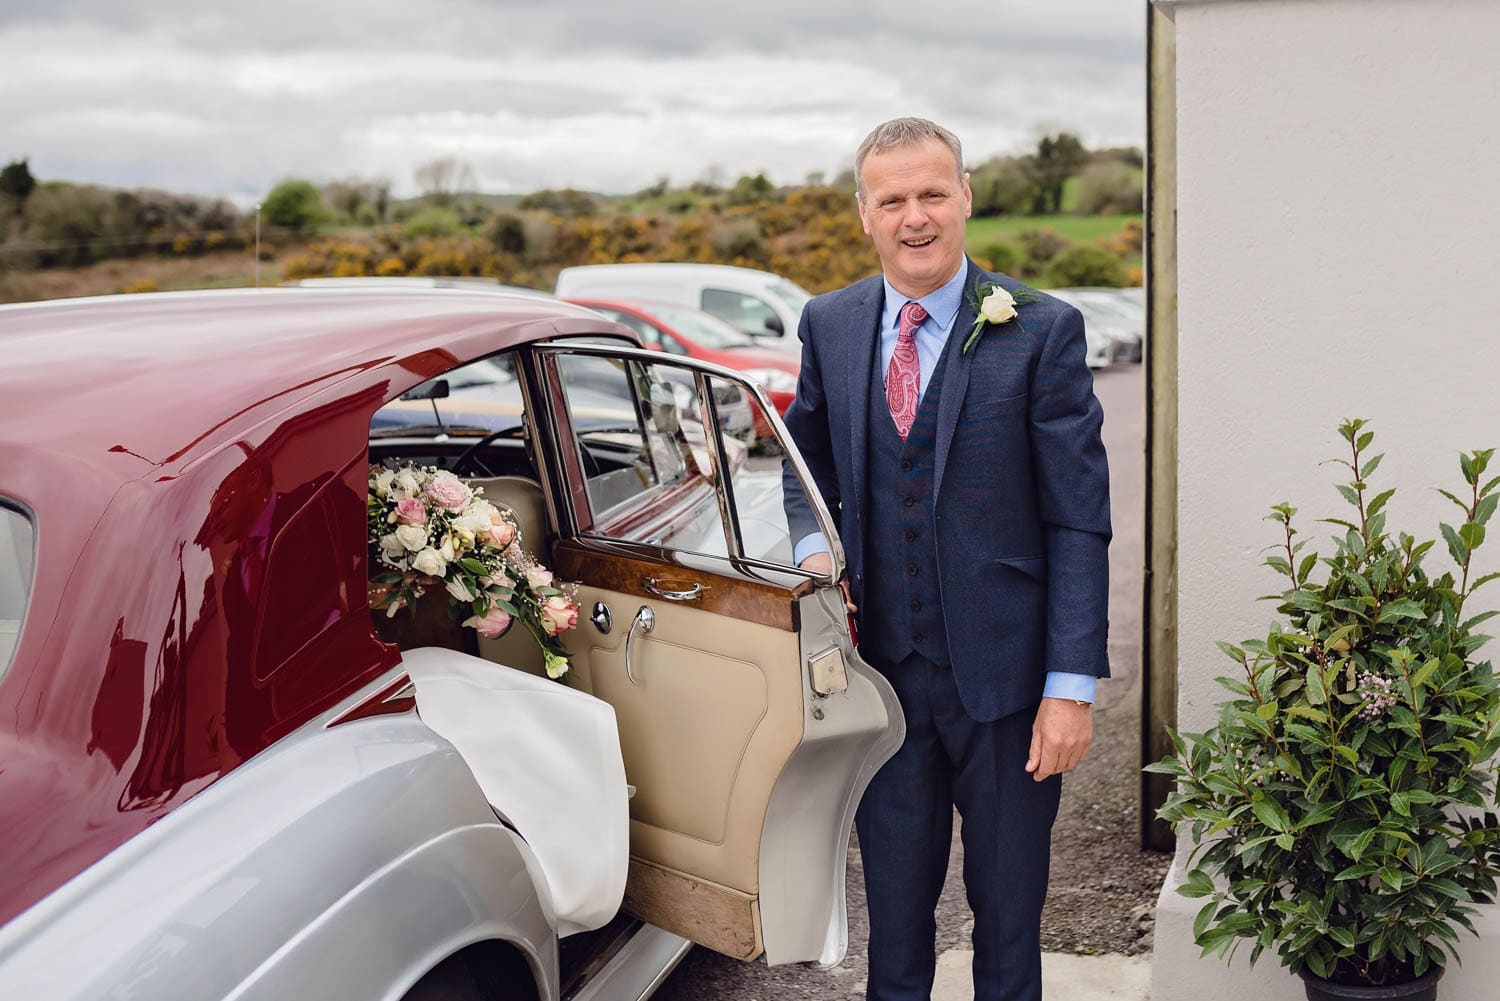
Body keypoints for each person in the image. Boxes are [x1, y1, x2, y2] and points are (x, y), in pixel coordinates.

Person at [781, 117, 1111, 1001]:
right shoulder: (831, 324)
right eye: (893, 200)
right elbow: (800, 456)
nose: (914, 216)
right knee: (893, 924)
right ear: (865, 214)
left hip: (1007, 691)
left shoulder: (1042, 329)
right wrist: (816, 546)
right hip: (883, 685)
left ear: (965, 197)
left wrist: (1070, 687)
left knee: (1007, 925)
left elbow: (1080, 520)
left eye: (933, 193)